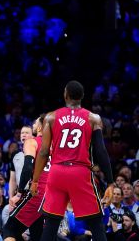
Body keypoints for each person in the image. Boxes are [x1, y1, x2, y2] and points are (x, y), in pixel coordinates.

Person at [31, 80, 114, 241]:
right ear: (82, 96)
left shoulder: (51, 117)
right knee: (96, 224)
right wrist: (110, 182)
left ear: (65, 95)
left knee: (51, 225)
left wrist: (35, 180)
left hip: (57, 172)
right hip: (80, 172)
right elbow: (100, 151)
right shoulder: (93, 118)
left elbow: (43, 152)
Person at [2, 115, 49, 241]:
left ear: (40, 127)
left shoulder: (32, 142)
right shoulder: (55, 145)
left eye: (34, 123)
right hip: (53, 196)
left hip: (37, 192)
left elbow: (27, 167)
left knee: (9, 230)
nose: (33, 125)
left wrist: (19, 193)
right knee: (37, 235)